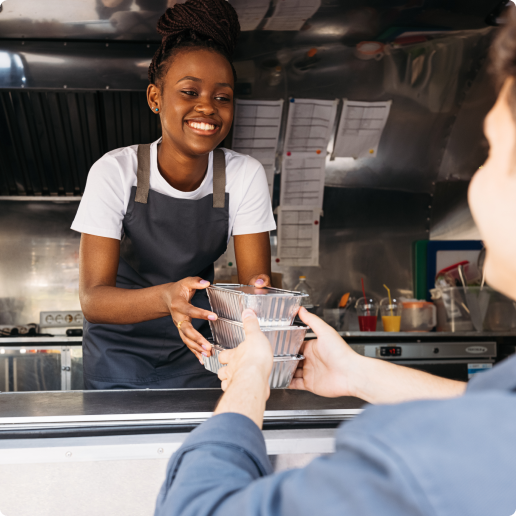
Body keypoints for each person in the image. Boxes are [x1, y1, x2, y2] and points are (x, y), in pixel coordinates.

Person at [154, 8, 516, 516]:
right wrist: (356, 374)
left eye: (493, 155)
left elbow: (198, 509)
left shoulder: (414, 461)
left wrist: (251, 377)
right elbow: (494, 414)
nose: (475, 186)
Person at [71, 0, 276, 389]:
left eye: (222, 96)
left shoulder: (243, 175)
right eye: (189, 91)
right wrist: (167, 297)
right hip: (118, 356)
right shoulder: (115, 172)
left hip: (200, 350)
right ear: (155, 98)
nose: (207, 107)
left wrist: (262, 298)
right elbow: (93, 301)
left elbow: (255, 289)